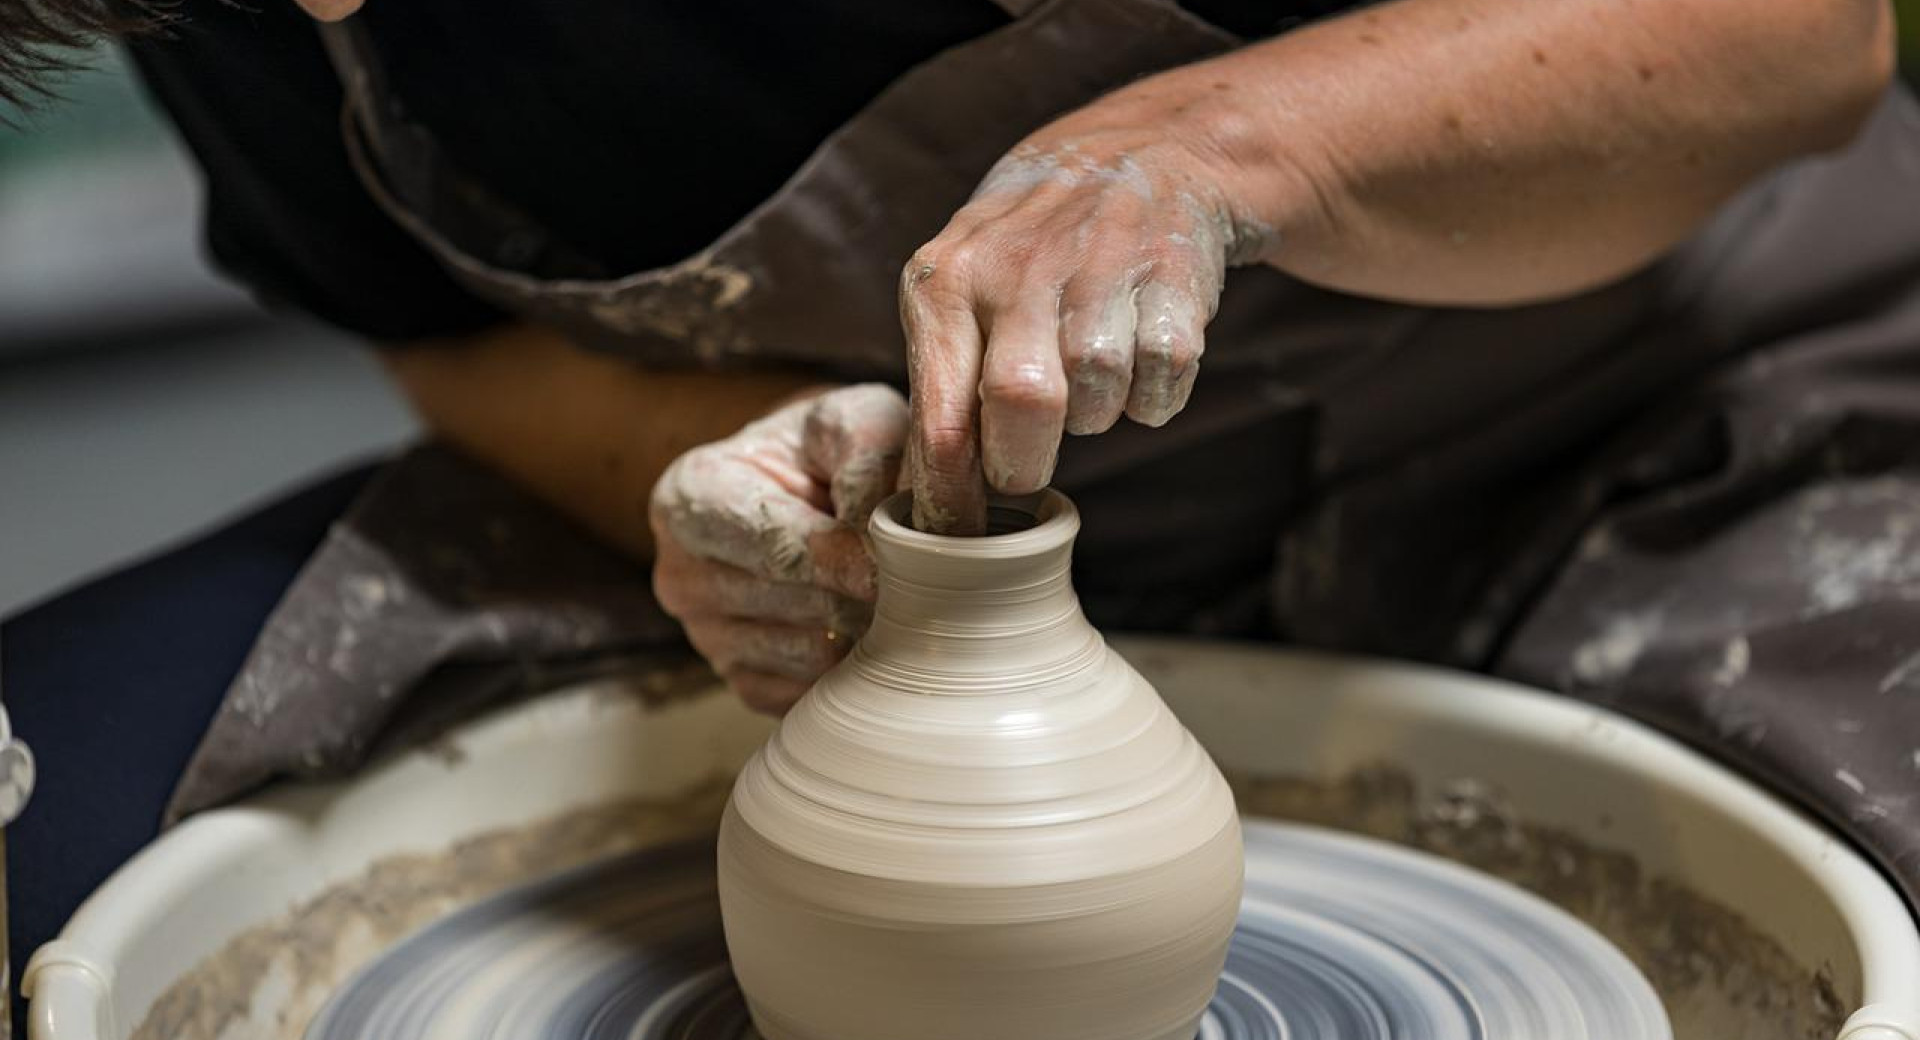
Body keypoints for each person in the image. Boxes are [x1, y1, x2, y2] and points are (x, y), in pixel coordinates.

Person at [7, 0, 1920, 1024]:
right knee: (55, 846)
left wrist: (1213, 146)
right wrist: (709, 460)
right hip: (875, 552)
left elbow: (1794, 28)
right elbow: (439, 338)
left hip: (1639, 423)